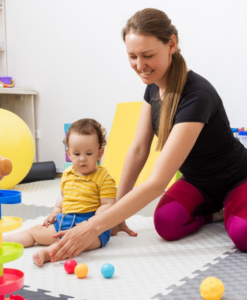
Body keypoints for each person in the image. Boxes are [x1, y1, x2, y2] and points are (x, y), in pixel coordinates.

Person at [48, 8, 247, 262]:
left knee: (243, 235)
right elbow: (139, 149)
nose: (140, 66)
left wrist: (95, 226)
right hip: (198, 182)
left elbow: (157, 183)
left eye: (148, 55)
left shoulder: (198, 95)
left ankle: (230, 208)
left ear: (171, 44)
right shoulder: (153, 89)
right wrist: (117, 215)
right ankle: (216, 212)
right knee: (166, 224)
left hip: (237, 178)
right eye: (132, 56)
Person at [3, 118, 117, 266]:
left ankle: (46, 254)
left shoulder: (104, 177)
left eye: (89, 153)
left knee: (70, 242)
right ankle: (2, 241)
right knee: (35, 231)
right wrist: (54, 213)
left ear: (99, 153)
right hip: (64, 221)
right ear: (69, 154)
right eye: (76, 154)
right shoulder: (67, 174)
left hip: (93, 229)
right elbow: (63, 198)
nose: (82, 159)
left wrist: (92, 224)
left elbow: (108, 205)